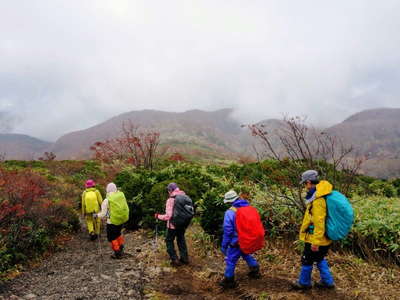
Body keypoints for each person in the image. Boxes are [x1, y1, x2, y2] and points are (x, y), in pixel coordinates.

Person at [292, 170, 335, 290]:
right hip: (323, 237)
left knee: (307, 259)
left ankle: (304, 283)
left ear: (309, 182)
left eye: (305, 184)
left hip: (315, 238)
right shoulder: (320, 194)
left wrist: (315, 242)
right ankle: (327, 282)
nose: (305, 186)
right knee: (319, 258)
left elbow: (319, 222)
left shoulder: (318, 200)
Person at [219, 190, 261, 289]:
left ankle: (229, 280)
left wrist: (224, 245)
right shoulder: (249, 208)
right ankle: (255, 269)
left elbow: (228, 230)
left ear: (229, 201)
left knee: (231, 260)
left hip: (236, 241)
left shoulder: (230, 212)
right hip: (247, 238)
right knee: (245, 253)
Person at [155, 183, 190, 267]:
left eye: (168, 190)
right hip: (183, 224)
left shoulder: (171, 200)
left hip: (173, 225)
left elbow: (168, 216)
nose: (168, 192)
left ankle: (175, 259)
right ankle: (184, 259)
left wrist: (158, 216)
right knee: (181, 239)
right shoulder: (184, 197)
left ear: (170, 190)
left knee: (169, 241)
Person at [94, 182, 129, 259]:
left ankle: (117, 252)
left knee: (112, 237)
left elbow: (103, 214)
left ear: (107, 190)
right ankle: (121, 248)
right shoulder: (121, 196)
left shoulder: (107, 200)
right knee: (118, 234)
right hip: (120, 220)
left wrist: (96, 215)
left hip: (112, 222)